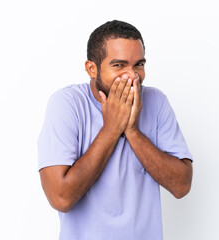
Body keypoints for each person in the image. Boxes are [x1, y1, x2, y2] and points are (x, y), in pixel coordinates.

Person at [37, 20, 193, 240]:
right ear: (92, 69)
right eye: (119, 65)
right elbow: (61, 198)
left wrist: (132, 132)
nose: (132, 75)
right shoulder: (67, 104)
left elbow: (182, 186)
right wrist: (111, 129)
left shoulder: (156, 101)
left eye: (138, 64)